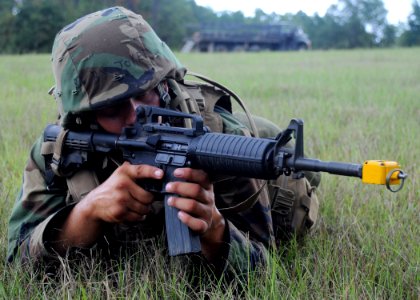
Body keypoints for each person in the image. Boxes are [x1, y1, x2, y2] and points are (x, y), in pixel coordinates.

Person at [7, 7, 320, 277]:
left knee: (293, 181)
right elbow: (16, 260)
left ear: (165, 82)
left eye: (145, 92)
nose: (137, 115)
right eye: (113, 108)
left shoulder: (220, 137)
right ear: (84, 116)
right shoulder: (60, 148)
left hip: (266, 161)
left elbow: (263, 269)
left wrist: (215, 230)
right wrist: (85, 214)